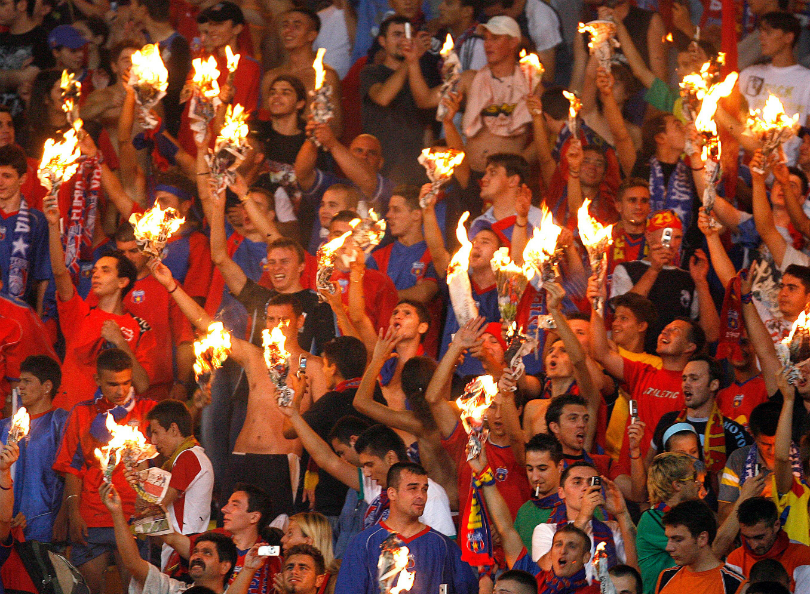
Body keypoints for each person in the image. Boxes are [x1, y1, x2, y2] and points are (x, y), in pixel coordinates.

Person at [152, 260, 304, 519]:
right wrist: (171, 286)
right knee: (231, 526)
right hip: (242, 456)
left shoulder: (312, 366)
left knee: (275, 536)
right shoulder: (254, 357)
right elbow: (207, 326)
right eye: (270, 319)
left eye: (284, 320)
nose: (276, 326)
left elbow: (320, 428)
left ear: (299, 323)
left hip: (281, 461)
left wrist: (313, 476)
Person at [52, 348, 156, 594]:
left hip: (133, 519)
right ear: (97, 380)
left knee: (136, 591)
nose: (120, 391)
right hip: (91, 519)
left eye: (126, 383)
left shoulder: (147, 410)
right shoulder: (82, 412)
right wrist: (72, 513)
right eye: (112, 384)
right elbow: (73, 469)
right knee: (88, 591)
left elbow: (176, 433)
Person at [44, 189, 155, 410]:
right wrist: (53, 225)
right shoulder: (79, 312)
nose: (95, 274)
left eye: (105, 271)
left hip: (112, 424)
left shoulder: (140, 328)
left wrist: (120, 341)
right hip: (69, 415)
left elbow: (142, 384)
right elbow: (59, 273)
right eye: (95, 270)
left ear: (123, 282)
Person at [469, 446, 600, 594]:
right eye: (557, 544)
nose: (563, 551)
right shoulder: (535, 578)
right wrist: (484, 473)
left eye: (572, 546)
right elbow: (505, 529)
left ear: (586, 556)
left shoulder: (592, 591)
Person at [334, 462, 477, 594]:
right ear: (392, 493)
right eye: (413, 488)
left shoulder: (443, 546)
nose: (421, 496)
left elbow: (468, 589)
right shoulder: (364, 543)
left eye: (424, 489)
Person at [100, 481, 262, 594]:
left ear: (225, 567)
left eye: (207, 553)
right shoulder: (171, 589)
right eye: (196, 551)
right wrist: (116, 512)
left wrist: (248, 570)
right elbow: (133, 563)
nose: (197, 556)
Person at [609, 209, 719, 346]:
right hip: (634, 357)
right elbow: (624, 314)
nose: (672, 244)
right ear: (648, 236)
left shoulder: (687, 277)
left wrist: (701, 282)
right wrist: (654, 269)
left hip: (674, 358)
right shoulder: (627, 269)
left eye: (677, 237)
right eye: (667, 236)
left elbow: (710, 335)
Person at [111, 222, 195, 401]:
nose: (126, 258)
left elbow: (184, 340)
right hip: (114, 388)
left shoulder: (167, 286)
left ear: (148, 249)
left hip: (157, 389)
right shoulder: (108, 285)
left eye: (133, 251)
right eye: (121, 253)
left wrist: (181, 382)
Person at [649, 355, 752, 498]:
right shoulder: (668, 422)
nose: (686, 384)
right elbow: (650, 470)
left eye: (694, 378)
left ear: (714, 385)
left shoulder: (733, 433)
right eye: (684, 378)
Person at [360, 15, 439, 184]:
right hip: (380, 170)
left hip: (416, 171)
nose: (404, 41)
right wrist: (410, 60)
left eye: (407, 35)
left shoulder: (422, 78)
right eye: (397, 35)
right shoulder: (371, 72)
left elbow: (429, 126)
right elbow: (382, 97)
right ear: (382, 41)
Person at [163, 483, 282, 592]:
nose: (224, 509)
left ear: (254, 517)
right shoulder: (214, 542)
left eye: (234, 505)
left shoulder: (271, 556)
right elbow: (171, 538)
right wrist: (154, 515)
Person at [531, 462, 637, 584]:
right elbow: (548, 567)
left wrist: (622, 514)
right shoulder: (547, 530)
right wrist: (584, 516)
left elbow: (635, 569)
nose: (586, 487)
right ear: (561, 492)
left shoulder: (612, 528)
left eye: (592, 482)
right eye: (577, 482)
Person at [0, 355, 67, 543]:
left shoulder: (60, 422)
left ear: (47, 386)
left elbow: (70, 475)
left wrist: (62, 519)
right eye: (20, 380)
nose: (20, 386)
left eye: (27, 381)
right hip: (6, 523)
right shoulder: (4, 427)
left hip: (44, 524)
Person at [457, 16, 534, 174]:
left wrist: (517, 167)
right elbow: (424, 100)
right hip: (470, 175)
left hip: (508, 181)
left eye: (495, 38)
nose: (487, 44)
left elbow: (548, 134)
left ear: (513, 42)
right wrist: (413, 61)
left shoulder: (531, 84)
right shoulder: (469, 78)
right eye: (486, 38)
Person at [144, 400, 214, 570]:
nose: (153, 440)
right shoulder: (184, 457)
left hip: (185, 548)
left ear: (174, 429)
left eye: (156, 432)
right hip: (181, 547)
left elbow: (156, 506)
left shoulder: (188, 457)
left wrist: (140, 466)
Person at [738, 12, 810, 165]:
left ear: (788, 38)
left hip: (784, 170)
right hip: (744, 166)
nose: (761, 37)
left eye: (768, 32)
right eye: (761, 32)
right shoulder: (749, 74)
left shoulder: (806, 80)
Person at [261, 8, 342, 134]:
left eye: (296, 26)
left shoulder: (325, 76)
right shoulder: (271, 76)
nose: (288, 31)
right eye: (285, 25)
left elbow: (336, 128)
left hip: (312, 146)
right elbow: (265, 122)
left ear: (311, 35)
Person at [636, 453, 702, 594]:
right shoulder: (651, 520)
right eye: (693, 477)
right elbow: (705, 553)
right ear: (677, 485)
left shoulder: (686, 516)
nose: (698, 483)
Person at [0, 144, 51, 316]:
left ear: (22, 179)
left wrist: (39, 321)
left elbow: (43, 277)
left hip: (19, 313)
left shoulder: (36, 221)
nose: (0, 182)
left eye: (7, 176)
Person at [656, 500, 746, 594]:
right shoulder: (666, 577)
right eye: (669, 539)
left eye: (678, 540)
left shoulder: (734, 585)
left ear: (702, 539)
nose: (668, 548)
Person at [726, 497, 810, 592]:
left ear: (776, 525)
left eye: (759, 537)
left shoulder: (804, 557)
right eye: (747, 537)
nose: (753, 545)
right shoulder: (735, 559)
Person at [513, 433, 563, 549]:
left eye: (542, 469)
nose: (535, 477)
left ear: (560, 465)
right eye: (530, 469)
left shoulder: (578, 506)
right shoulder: (524, 512)